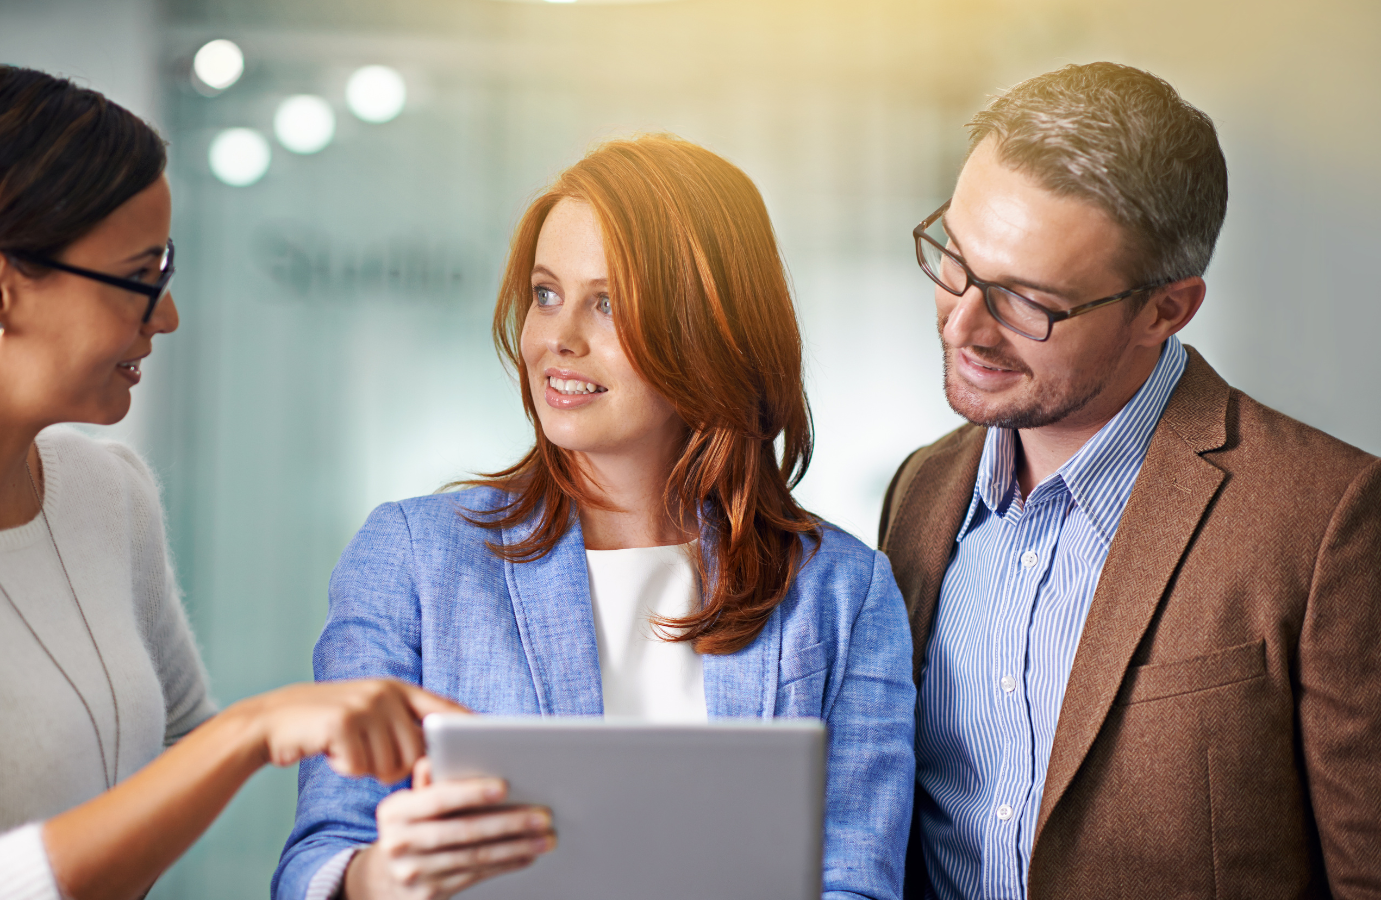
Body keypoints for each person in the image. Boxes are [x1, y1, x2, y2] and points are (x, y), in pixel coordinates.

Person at [0, 66, 462, 900]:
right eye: (143, 275)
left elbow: (176, 750)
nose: (166, 314)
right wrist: (257, 728)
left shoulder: (107, 492)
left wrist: (390, 807)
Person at [273, 135, 916, 900]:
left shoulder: (842, 590)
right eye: (546, 294)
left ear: (710, 328)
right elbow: (318, 860)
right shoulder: (415, 557)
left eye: (605, 303)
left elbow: (857, 881)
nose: (557, 340)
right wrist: (380, 877)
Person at [877, 61, 1381, 898]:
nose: (963, 324)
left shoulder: (1331, 521)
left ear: (1165, 310)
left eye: (1026, 301)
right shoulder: (920, 493)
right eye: (956, 261)